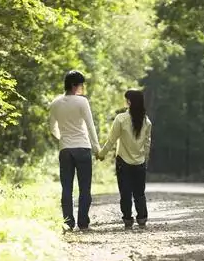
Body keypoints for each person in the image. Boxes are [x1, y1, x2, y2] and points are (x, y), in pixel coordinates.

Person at [49, 70, 101, 232]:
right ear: (74, 85)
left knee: (67, 188)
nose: (82, 88)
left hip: (65, 150)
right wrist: (97, 148)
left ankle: (68, 222)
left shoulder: (55, 103)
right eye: (81, 85)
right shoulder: (81, 102)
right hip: (83, 148)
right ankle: (83, 223)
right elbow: (91, 126)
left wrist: (62, 139)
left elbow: (52, 128)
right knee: (85, 188)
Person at [97, 89, 152, 229]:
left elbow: (111, 140)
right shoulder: (147, 121)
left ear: (129, 101)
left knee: (125, 192)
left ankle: (128, 219)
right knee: (139, 193)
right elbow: (147, 144)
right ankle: (142, 218)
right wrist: (145, 160)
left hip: (123, 162)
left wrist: (101, 154)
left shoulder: (121, 119)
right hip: (140, 162)